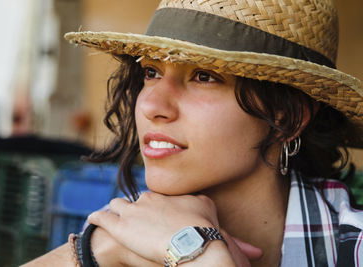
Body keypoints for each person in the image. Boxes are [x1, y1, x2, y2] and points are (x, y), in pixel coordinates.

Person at [23, 0, 363, 266]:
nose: (152, 105)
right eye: (152, 71)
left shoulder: (354, 248)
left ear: (288, 116)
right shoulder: (126, 231)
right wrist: (95, 251)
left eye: (204, 76)